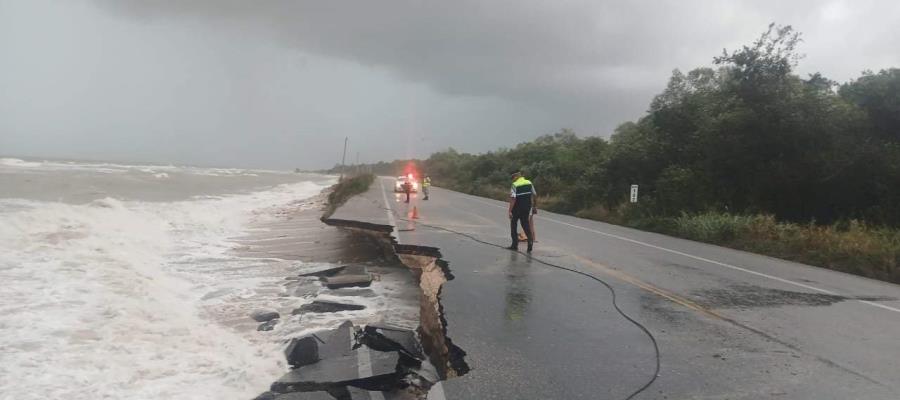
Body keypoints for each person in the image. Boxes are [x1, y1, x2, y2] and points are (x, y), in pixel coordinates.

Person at [507, 171, 536, 252]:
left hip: (516, 208)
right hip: (526, 208)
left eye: (512, 178)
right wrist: (534, 206)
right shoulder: (529, 183)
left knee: (513, 225)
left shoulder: (515, 185)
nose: (512, 180)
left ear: (515, 177)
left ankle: (514, 245)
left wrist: (509, 211)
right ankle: (530, 242)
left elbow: (513, 198)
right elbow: (534, 194)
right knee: (525, 224)